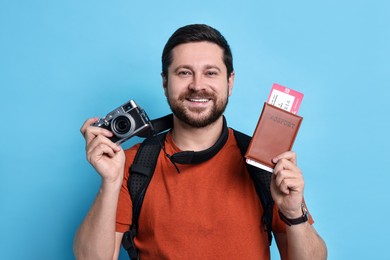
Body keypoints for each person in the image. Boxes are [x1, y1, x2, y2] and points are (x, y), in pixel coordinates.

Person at [74, 24, 327, 259]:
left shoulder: (264, 163)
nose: (197, 85)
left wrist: (294, 214)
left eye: (210, 73)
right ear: (165, 82)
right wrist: (109, 183)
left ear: (230, 82)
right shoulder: (130, 165)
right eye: (184, 73)